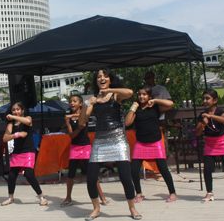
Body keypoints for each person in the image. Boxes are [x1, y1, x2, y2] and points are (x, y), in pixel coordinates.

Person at [79, 67, 142, 220]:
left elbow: (130, 93)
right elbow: (82, 122)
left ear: (109, 79)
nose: (102, 79)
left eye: (105, 76)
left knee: (126, 177)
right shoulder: (93, 99)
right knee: (91, 178)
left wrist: (109, 90)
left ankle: (132, 208)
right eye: (99, 76)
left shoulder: (115, 94)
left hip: (118, 139)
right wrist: (87, 103)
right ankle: (96, 208)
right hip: (100, 141)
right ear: (96, 80)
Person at [125, 85, 177, 203]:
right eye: (139, 94)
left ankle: (172, 192)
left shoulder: (154, 107)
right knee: (134, 170)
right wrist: (134, 106)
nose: (141, 96)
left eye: (144, 94)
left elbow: (170, 104)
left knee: (163, 169)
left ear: (149, 96)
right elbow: (127, 122)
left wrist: (155, 100)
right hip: (141, 143)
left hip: (155, 142)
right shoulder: (136, 108)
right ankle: (138, 193)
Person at [61, 95, 110, 207]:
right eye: (70, 101)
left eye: (75, 101)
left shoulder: (83, 115)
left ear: (80, 104)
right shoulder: (68, 119)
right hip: (74, 148)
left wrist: (72, 115)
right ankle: (68, 197)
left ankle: (102, 197)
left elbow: (84, 117)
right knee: (71, 174)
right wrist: (77, 127)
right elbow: (71, 136)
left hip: (86, 147)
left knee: (92, 174)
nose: (72, 103)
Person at [1, 101, 48, 206]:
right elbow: (5, 138)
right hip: (17, 152)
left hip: (28, 151)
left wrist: (14, 117)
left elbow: (27, 121)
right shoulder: (11, 124)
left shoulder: (28, 118)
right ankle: (10, 197)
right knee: (12, 176)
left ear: (22, 110)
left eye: (18, 109)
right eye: (14, 110)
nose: (16, 111)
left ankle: (41, 196)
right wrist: (17, 134)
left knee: (29, 174)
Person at [144, 71, 171, 155]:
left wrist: (161, 111)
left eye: (149, 78)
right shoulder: (144, 90)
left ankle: (164, 159)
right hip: (148, 120)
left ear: (153, 78)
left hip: (160, 119)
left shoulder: (161, 89)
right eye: (145, 78)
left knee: (163, 142)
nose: (147, 80)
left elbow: (168, 102)